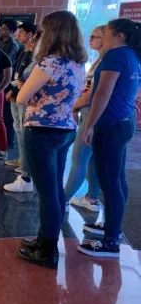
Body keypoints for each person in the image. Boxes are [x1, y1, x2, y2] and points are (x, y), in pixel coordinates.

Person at [16, 10, 87, 269]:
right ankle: (44, 239)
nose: (40, 35)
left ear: (53, 33)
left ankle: (47, 250)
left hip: (41, 130)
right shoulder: (77, 64)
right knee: (55, 189)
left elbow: (22, 97)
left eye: (44, 31)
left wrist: (33, 96)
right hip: (65, 129)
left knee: (46, 193)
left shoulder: (49, 64)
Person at [78, 18, 141, 258]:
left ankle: (110, 242)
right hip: (123, 121)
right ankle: (112, 225)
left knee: (109, 181)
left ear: (120, 36)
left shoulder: (114, 56)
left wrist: (89, 125)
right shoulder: (132, 56)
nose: (102, 37)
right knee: (117, 178)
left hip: (110, 124)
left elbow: (102, 93)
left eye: (106, 33)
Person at [63, 26, 105, 211]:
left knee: (79, 160)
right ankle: (92, 198)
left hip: (90, 114)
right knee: (92, 159)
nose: (90, 39)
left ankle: (62, 200)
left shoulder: (106, 63)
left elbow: (91, 93)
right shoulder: (100, 61)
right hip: (91, 113)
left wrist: (74, 106)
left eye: (94, 36)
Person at [3, 22, 38, 193]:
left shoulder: (35, 54)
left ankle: (26, 165)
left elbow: (28, 77)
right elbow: (17, 73)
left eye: (22, 33)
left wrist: (14, 89)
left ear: (31, 34)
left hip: (23, 93)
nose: (19, 35)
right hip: (15, 90)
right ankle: (21, 158)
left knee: (23, 129)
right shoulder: (20, 50)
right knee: (17, 126)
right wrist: (11, 88)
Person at [0, 19, 21, 148]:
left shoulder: (13, 45)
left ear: (12, 32)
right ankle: (0, 137)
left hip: (7, 80)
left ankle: (9, 140)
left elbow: (3, 59)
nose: (1, 31)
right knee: (0, 112)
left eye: (5, 29)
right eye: (1, 28)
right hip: (0, 78)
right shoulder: (1, 43)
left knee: (7, 113)